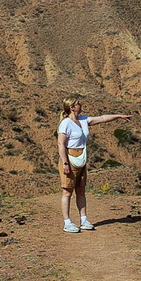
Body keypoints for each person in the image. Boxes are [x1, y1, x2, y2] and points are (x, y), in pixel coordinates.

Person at [56, 98, 130, 232]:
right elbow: (61, 144)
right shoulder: (65, 123)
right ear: (72, 107)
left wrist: (118, 116)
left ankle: (83, 219)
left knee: (80, 190)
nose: (81, 105)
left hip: (81, 158)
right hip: (69, 157)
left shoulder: (84, 120)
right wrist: (65, 163)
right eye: (78, 103)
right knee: (67, 191)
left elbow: (102, 118)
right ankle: (67, 222)